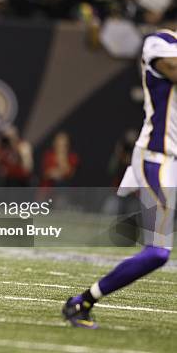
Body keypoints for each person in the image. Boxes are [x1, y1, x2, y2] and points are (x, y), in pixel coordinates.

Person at [62, 29, 177, 329]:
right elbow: (173, 68)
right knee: (157, 253)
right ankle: (82, 301)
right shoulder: (161, 41)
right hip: (158, 159)